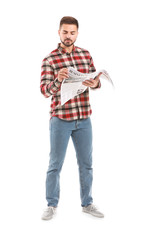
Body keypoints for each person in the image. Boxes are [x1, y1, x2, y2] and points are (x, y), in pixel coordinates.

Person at [40, 16, 104, 220]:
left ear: (77, 33)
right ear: (59, 32)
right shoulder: (50, 60)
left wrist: (95, 84)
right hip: (61, 120)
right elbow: (44, 91)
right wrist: (58, 81)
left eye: (72, 32)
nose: (69, 36)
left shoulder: (86, 55)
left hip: (84, 119)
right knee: (55, 164)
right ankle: (51, 205)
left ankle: (87, 203)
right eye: (65, 32)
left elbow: (94, 81)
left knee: (86, 163)